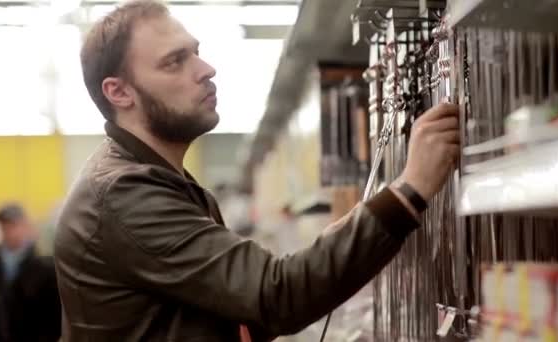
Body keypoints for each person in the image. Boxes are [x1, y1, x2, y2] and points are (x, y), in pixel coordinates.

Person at [53, 0, 460, 341]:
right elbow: (275, 295)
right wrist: (410, 190)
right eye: (175, 61)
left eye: (195, 51)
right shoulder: (125, 194)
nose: (205, 68)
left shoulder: (158, 179)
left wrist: (353, 228)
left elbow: (235, 311)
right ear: (119, 92)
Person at [0, 204, 61, 342]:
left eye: (14, 225)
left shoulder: (45, 269)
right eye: (4, 227)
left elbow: (53, 316)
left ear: (26, 226)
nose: (9, 232)